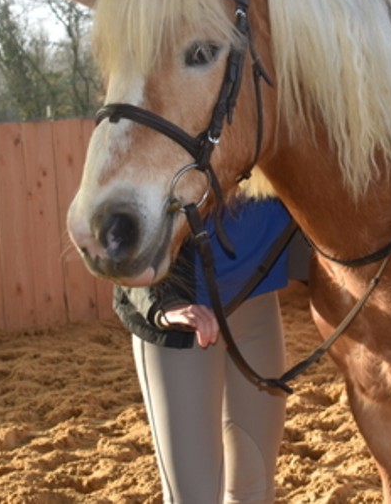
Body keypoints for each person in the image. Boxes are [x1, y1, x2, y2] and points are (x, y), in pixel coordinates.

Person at [112, 194, 296, 504]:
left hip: (257, 307)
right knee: (194, 498)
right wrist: (163, 304)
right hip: (183, 324)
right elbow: (119, 217)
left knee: (256, 490)